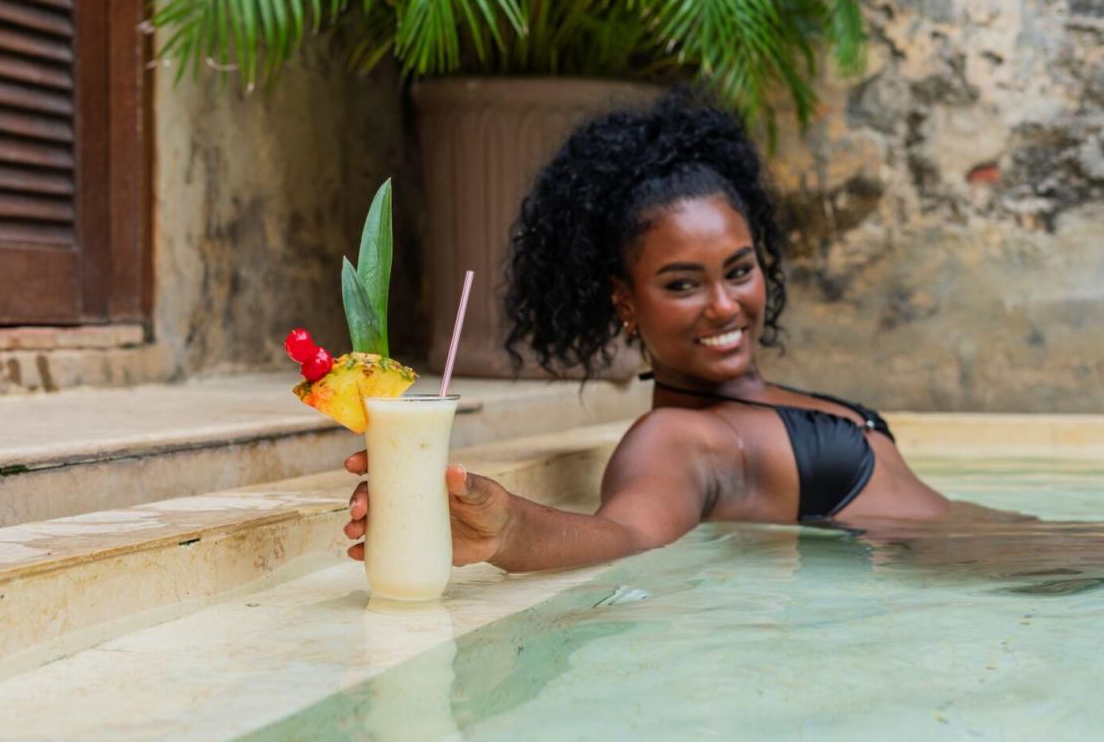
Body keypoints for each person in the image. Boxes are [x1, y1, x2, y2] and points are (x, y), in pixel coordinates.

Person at [343, 93, 951, 573]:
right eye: (683, 284)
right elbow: (628, 532)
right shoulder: (675, 440)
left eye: (739, 271)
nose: (723, 305)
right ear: (625, 302)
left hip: (1013, 563)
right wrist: (510, 530)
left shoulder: (746, 405)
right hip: (984, 575)